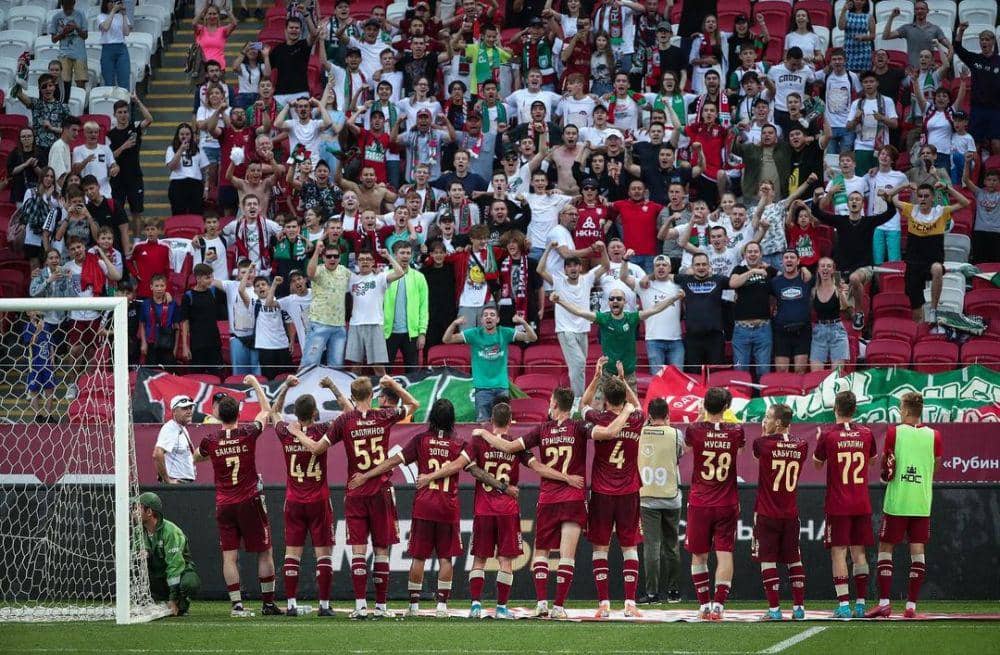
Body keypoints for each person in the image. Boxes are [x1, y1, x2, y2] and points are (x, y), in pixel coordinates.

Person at [425, 401, 581, 619]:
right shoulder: (515, 446)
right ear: (510, 422)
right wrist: (566, 477)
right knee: (505, 561)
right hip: (508, 511)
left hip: (483, 510)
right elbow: (538, 467)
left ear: (491, 420)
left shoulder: (478, 441)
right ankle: (501, 608)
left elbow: (465, 465)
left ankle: (476, 606)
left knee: (479, 559)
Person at [296, 376, 416, 618]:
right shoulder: (384, 415)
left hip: (356, 491)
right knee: (382, 550)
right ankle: (381, 607)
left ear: (353, 396)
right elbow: (414, 405)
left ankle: (361, 606)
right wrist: (392, 385)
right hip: (380, 490)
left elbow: (317, 448)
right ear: (371, 395)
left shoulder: (344, 420)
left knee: (359, 551)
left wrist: (297, 433)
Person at [472, 387, 588, 619]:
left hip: (545, 498)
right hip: (572, 496)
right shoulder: (579, 427)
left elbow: (503, 450)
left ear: (554, 403)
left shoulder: (542, 430)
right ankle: (558, 607)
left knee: (540, 553)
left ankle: (540, 604)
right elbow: (591, 415)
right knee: (566, 556)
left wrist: (484, 433)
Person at [347, 398, 465, 618]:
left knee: (419, 557)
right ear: (452, 419)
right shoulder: (459, 444)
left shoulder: (421, 440)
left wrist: (366, 475)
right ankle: (441, 606)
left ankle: (413, 606)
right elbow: (473, 468)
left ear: (432, 417)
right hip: (448, 506)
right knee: (445, 558)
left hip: (424, 505)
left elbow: (392, 461)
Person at [193, 387, 281, 617]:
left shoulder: (210, 440)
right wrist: (255, 383)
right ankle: (268, 604)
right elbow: (266, 412)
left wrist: (213, 454)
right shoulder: (248, 432)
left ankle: (237, 605)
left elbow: (196, 456)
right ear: (239, 413)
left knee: (229, 556)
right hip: (249, 500)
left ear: (218, 415)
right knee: (264, 552)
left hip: (224, 504)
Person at [263, 377, 335, 616]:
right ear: (315, 413)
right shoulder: (323, 430)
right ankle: (324, 606)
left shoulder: (286, 432)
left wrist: (284, 388)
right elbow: (348, 416)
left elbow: (273, 413)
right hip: (318, 500)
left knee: (292, 553)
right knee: (322, 554)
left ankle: (292, 605)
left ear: (296, 413)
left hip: (293, 500)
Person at [868, 392, 943, 619]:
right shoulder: (935, 435)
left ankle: (884, 603)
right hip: (921, 501)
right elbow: (935, 466)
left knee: (885, 549)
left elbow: (887, 465)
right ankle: (911, 606)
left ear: (908, 410)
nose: (899, 411)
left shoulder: (894, 432)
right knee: (918, 551)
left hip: (898, 500)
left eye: (901, 407)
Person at [813, 390, 877, 619]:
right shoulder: (867, 433)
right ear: (855, 410)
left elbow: (817, 464)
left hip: (838, 503)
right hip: (861, 501)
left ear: (835, 409)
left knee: (838, 553)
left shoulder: (828, 436)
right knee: (859, 552)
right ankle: (860, 604)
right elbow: (871, 460)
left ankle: (843, 605)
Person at [683, 387, 745, 620]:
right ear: (726, 407)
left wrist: (702, 417)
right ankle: (719, 605)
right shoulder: (736, 431)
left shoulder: (695, 430)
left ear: (705, 405)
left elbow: (687, 447)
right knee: (724, 552)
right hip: (727, 501)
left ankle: (703, 605)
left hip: (700, 500)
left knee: (698, 554)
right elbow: (740, 449)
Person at [549, 285, 682, 389]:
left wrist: (674, 298)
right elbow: (579, 311)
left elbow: (655, 309)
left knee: (633, 412)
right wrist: (559, 301)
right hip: (608, 374)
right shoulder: (603, 318)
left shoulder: (632, 318)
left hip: (628, 374)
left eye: (619, 299)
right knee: (598, 409)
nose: (615, 301)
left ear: (625, 302)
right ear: (609, 303)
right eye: (612, 299)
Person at [752, 403, 809, 621]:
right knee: (795, 559)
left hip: (768, 512)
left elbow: (759, 453)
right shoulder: (802, 444)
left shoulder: (762, 443)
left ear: (777, 422)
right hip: (790, 513)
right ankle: (799, 608)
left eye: (767, 417)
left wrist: (765, 434)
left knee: (768, 560)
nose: (764, 421)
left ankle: (775, 610)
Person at [890, 181, 970, 324]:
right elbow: (891, 198)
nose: (923, 199)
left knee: (937, 268)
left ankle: (933, 309)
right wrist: (905, 186)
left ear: (932, 198)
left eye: (926, 196)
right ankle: (920, 329)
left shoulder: (941, 212)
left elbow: (965, 203)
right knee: (916, 312)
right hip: (913, 263)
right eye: (920, 196)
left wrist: (947, 187)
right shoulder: (911, 210)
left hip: (933, 259)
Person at [441, 306, 537, 421]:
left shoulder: (505, 332)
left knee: (502, 423)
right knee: (483, 424)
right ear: (481, 320)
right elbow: (446, 340)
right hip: (482, 389)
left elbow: (532, 338)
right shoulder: (474, 334)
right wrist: (454, 323)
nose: (488, 317)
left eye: (492, 315)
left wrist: (523, 322)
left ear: (497, 319)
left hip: (502, 388)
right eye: (485, 315)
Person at [635, 397, 684, 605]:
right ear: (668, 415)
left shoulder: (641, 433)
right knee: (672, 545)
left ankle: (653, 594)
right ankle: (673, 592)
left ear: (649, 415)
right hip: (671, 496)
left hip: (647, 497)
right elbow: (678, 455)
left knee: (652, 546)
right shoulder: (675, 434)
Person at [136, 492, 200, 616]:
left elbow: (175, 567)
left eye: (137, 508)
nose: (134, 512)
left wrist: (172, 598)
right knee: (134, 563)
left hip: (178, 574)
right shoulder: (137, 531)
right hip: (156, 575)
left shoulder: (171, 532)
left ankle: (180, 602)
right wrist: (142, 553)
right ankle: (147, 601)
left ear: (149, 512)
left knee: (190, 583)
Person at [345, 249, 405, 377]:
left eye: (368, 259)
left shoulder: (380, 277)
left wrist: (388, 256)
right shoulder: (352, 279)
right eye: (361, 260)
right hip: (356, 325)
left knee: (378, 367)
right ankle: (353, 395)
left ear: (373, 262)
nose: (365, 262)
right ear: (357, 262)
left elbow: (400, 273)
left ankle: (383, 394)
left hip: (375, 324)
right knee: (356, 367)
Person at [674, 252, 730, 372]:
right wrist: (649, 277)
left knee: (716, 375)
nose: (701, 267)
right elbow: (664, 275)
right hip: (693, 338)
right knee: (694, 375)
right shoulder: (684, 279)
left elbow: (736, 282)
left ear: (709, 266)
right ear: (692, 267)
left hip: (715, 337)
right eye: (697, 265)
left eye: (704, 264)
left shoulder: (719, 279)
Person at [953, 23, 1000, 154]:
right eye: (982, 39)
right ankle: (973, 173)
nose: (984, 42)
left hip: (996, 110)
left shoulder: (999, 61)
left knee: (996, 144)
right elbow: (957, 48)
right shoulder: (975, 59)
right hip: (978, 109)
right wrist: (961, 31)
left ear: (993, 42)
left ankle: (995, 170)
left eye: (987, 39)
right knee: (975, 145)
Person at [302, 241, 350, 367]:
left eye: (336, 256)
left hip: (339, 326)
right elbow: (310, 274)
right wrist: (317, 251)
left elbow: (360, 280)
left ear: (340, 258)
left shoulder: (344, 271)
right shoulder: (319, 270)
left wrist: (374, 271)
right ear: (323, 258)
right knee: (310, 364)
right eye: (329, 256)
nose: (332, 259)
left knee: (337, 366)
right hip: (319, 323)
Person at [382, 241, 428, 372]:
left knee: (413, 373)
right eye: (402, 253)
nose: (405, 256)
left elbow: (424, 307)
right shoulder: (385, 276)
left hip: (411, 333)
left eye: (408, 253)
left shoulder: (419, 277)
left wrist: (422, 332)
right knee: (385, 373)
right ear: (394, 255)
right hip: (388, 333)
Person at [108, 96, 153, 227]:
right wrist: (123, 146)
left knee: (136, 211)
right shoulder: (110, 135)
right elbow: (110, 156)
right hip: (118, 178)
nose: (123, 115)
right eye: (120, 112)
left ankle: (138, 240)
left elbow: (150, 119)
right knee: (117, 211)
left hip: (134, 176)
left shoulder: (135, 127)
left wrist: (137, 101)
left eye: (125, 112)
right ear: (114, 114)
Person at [770, 249, 813, 374]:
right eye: (786, 257)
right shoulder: (774, 282)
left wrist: (805, 269)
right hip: (781, 332)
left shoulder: (807, 279)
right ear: (782, 261)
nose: (789, 259)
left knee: (800, 370)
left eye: (792, 257)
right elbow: (771, 301)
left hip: (802, 331)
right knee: (782, 371)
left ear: (798, 261)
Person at [809, 258, 852, 372]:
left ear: (833, 270)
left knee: (836, 374)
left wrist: (841, 293)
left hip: (837, 330)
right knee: (816, 373)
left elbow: (847, 312)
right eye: (822, 266)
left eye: (828, 266)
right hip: (819, 331)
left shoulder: (840, 288)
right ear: (818, 269)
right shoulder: (814, 291)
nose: (825, 268)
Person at [881, 1, 949, 69]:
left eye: (922, 9)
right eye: (917, 9)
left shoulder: (935, 28)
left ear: (927, 11)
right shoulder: (907, 28)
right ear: (914, 11)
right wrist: (891, 17)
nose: (919, 11)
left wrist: (944, 65)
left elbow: (950, 47)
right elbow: (886, 36)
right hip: (913, 71)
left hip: (929, 70)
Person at [165, 123, 210, 215]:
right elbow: (172, 167)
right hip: (177, 184)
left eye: (187, 134)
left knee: (196, 214)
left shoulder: (198, 149)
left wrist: (206, 188)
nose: (184, 136)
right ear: (178, 135)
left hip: (195, 184)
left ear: (191, 135)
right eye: (182, 134)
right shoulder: (171, 149)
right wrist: (181, 150)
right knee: (178, 214)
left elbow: (206, 170)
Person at [50, 0, 89, 100]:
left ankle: (81, 105)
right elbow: (53, 39)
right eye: (65, 5)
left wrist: (76, 27)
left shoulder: (80, 15)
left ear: (74, 3)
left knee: (81, 82)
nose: (68, 8)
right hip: (64, 54)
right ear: (62, 4)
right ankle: (64, 104)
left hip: (79, 54)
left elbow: (85, 35)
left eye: (70, 5)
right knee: (64, 83)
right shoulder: (56, 17)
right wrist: (63, 33)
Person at [139, 274, 179, 369]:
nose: (159, 289)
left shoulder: (172, 304)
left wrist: (175, 348)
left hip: (167, 344)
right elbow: (142, 325)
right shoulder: (145, 304)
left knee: (168, 376)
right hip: (151, 344)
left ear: (166, 287)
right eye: (156, 286)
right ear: (151, 287)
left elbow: (177, 327)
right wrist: (143, 343)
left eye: (162, 286)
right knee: (151, 375)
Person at [962, 165, 1000, 265]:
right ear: (984, 181)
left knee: (995, 262)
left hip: (996, 232)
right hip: (979, 231)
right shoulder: (979, 193)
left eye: (995, 180)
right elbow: (965, 180)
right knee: (979, 261)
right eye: (989, 180)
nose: (991, 182)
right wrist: (967, 162)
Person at [97, 0, 131, 90]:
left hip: (121, 48)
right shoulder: (101, 16)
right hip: (107, 48)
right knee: (109, 81)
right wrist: (112, 11)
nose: (112, 4)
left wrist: (124, 15)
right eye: (110, 2)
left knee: (124, 79)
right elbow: (105, 27)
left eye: (114, 2)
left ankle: (125, 102)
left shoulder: (121, 16)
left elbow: (126, 32)